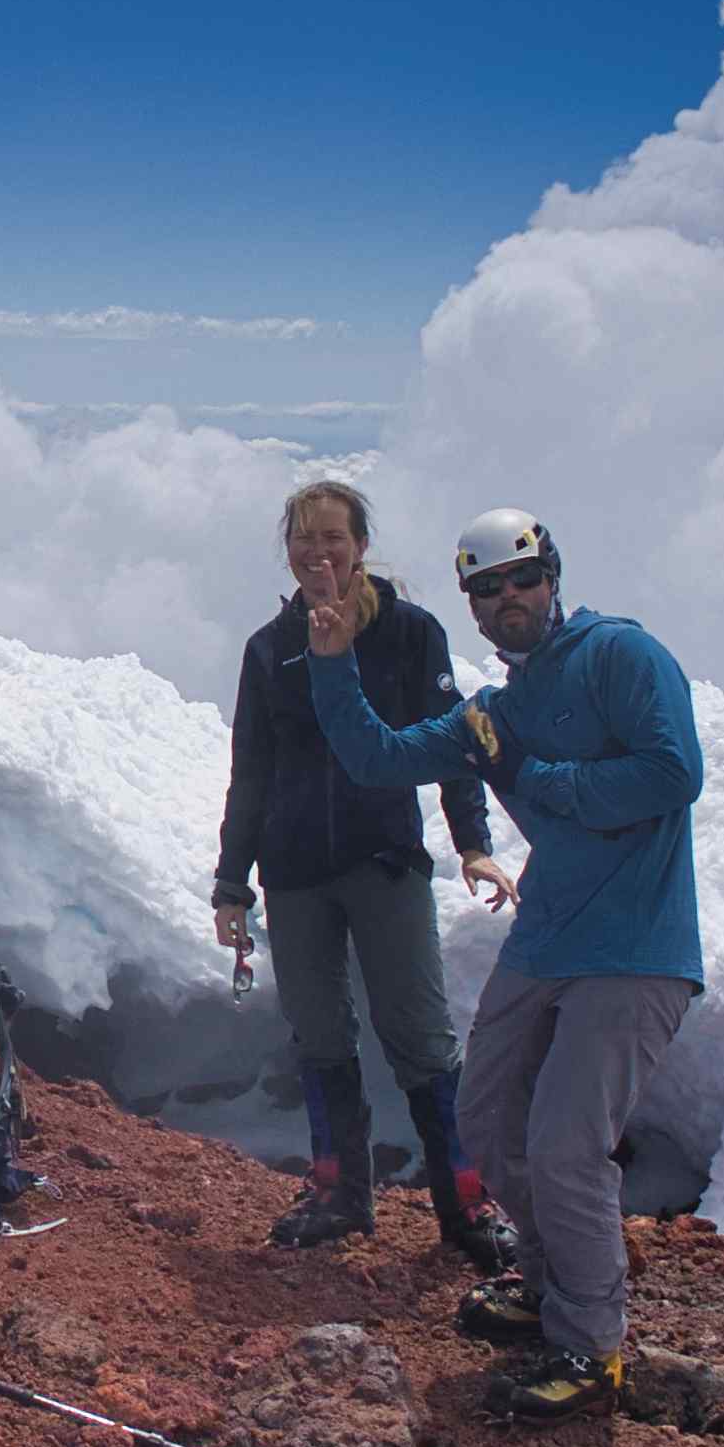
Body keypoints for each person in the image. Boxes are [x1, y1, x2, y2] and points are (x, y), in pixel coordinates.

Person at [305, 509, 703, 1422]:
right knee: (486, 1120)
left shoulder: (621, 656)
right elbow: (377, 757)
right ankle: (552, 1279)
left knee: (566, 1145)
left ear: (552, 576)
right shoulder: (497, 713)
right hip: (548, 938)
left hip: (635, 948)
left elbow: (672, 772)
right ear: (472, 605)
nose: (507, 597)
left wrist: (540, 777)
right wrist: (331, 661)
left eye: (522, 577)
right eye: (486, 587)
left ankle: (590, 1344)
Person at [212, 479, 514, 1262]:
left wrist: (472, 841)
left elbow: (452, 739)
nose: (317, 552)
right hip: (294, 871)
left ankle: (467, 1203)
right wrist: (231, 883)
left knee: (419, 1032)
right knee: (318, 1032)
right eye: (303, 538)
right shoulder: (269, 647)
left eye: (333, 538)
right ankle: (339, 1193)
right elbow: (251, 773)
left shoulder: (408, 632)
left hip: (384, 859)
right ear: (287, 550)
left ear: (360, 547)